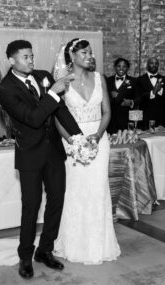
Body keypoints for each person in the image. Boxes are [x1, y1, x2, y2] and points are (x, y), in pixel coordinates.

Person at [0, 40, 82, 279]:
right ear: (11, 60)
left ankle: (45, 250)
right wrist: (53, 93)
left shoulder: (43, 76)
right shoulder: (5, 89)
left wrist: (79, 137)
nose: (31, 61)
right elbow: (33, 118)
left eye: (32, 56)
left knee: (56, 201)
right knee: (31, 206)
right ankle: (25, 256)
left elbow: (60, 110)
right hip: (29, 154)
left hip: (54, 151)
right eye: (25, 57)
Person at [53, 38, 120, 265]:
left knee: (98, 189)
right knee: (75, 190)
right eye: (84, 52)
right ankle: (73, 243)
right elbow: (57, 117)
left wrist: (98, 135)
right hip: (72, 141)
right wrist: (73, 142)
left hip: (98, 139)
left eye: (91, 52)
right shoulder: (62, 82)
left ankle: (98, 244)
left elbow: (107, 112)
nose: (89, 55)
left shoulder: (100, 78)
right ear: (72, 56)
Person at [106, 58, 136, 134]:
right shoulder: (108, 80)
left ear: (127, 68)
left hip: (127, 120)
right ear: (115, 67)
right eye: (119, 66)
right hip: (110, 120)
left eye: (124, 66)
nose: (121, 68)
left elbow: (139, 98)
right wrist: (111, 96)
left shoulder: (133, 81)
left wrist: (131, 102)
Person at [135, 57, 165, 128]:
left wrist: (160, 91)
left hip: (160, 118)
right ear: (147, 65)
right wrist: (152, 92)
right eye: (151, 63)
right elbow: (138, 97)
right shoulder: (140, 79)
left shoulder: (164, 79)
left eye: (156, 63)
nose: (154, 65)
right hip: (145, 117)